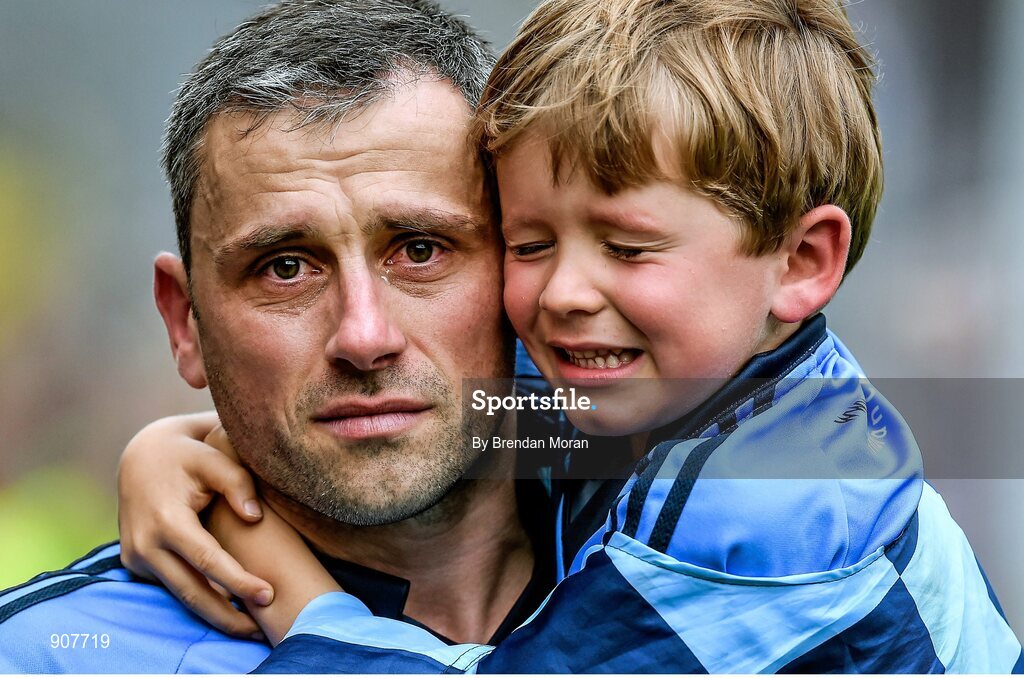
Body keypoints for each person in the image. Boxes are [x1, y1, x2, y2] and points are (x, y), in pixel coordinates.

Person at [116, 0, 1024, 673]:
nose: (563, 293)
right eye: (529, 244)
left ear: (801, 261)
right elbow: (476, 425)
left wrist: (290, 586)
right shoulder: (690, 405)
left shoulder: (763, 501)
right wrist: (186, 446)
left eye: (628, 246)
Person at [0, 1, 560, 672]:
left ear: (527, 263)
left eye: (419, 250)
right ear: (185, 322)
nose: (364, 335)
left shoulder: (692, 548)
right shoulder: (46, 659)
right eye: (286, 268)